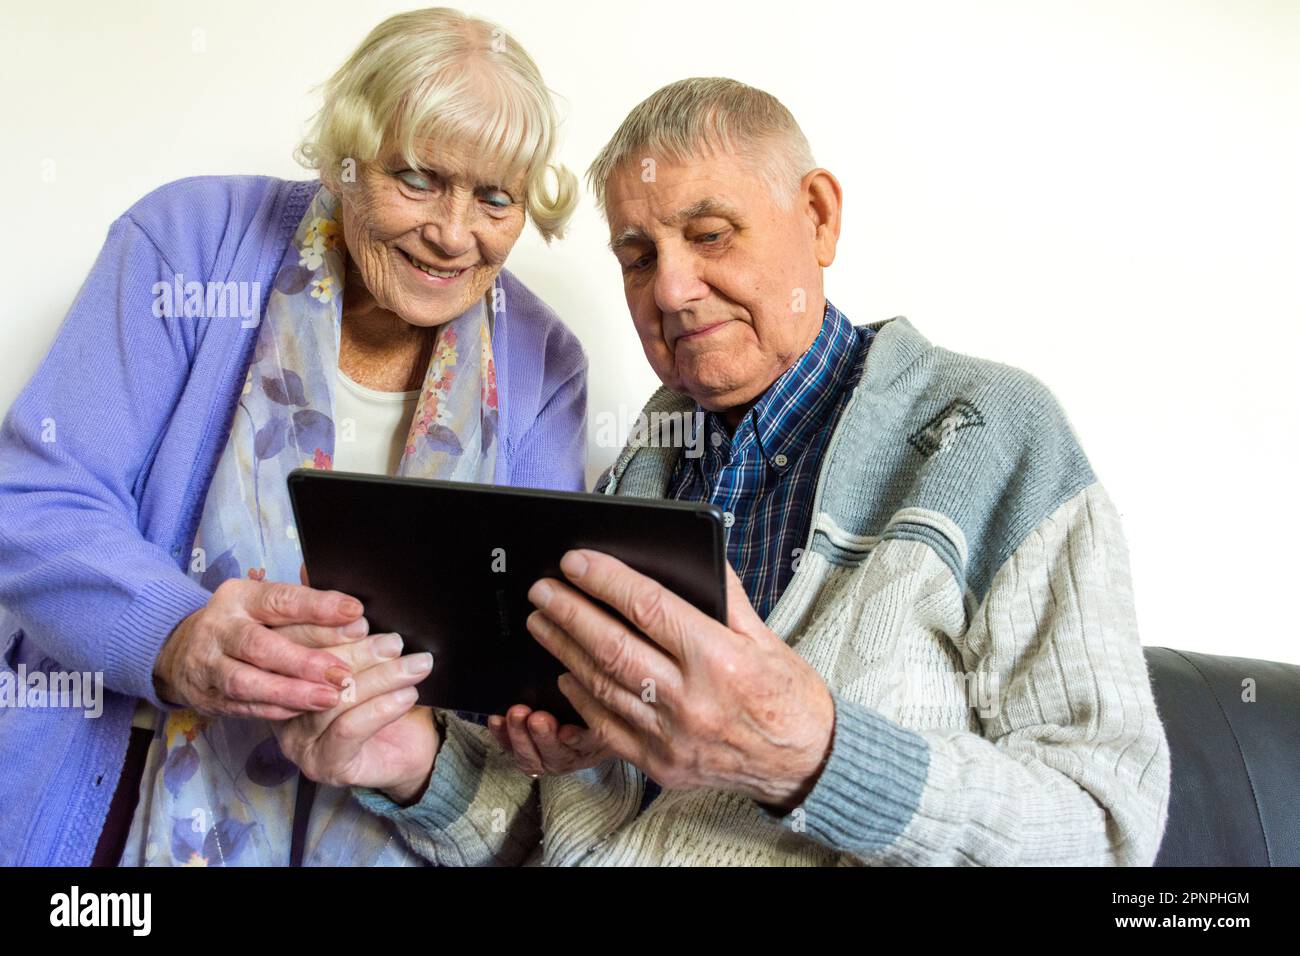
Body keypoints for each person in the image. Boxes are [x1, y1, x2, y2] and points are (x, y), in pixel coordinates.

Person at [344, 77, 1171, 866]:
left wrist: (813, 756)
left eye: (709, 235)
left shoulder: (990, 432)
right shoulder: (644, 463)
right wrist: (415, 765)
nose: (669, 288)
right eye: (637, 256)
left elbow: (1106, 828)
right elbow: (565, 835)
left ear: (817, 216)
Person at [0, 7, 586, 866]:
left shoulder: (544, 361)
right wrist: (175, 635)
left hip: (385, 816)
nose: (454, 233)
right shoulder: (187, 245)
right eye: (419, 179)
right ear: (346, 157)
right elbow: (35, 501)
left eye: (495, 197)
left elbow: (521, 649)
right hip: (123, 791)